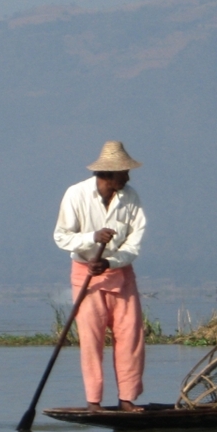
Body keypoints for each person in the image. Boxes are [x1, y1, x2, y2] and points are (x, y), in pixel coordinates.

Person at [53, 141, 147, 412]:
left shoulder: (131, 198)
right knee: (91, 339)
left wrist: (109, 261)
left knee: (130, 337)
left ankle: (126, 400)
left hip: (121, 273)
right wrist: (91, 238)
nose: (128, 177)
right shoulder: (76, 195)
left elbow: (134, 243)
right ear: (107, 173)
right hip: (86, 275)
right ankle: (94, 402)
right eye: (123, 172)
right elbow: (62, 236)